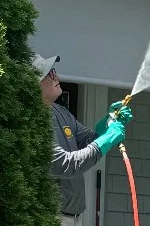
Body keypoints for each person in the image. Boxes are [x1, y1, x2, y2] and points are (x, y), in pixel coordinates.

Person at [33, 54, 133, 226]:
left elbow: (88, 139)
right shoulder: (33, 121)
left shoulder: (59, 111)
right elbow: (66, 164)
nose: (56, 77)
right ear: (34, 85)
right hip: (51, 218)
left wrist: (108, 122)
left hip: (75, 217)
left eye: (54, 71)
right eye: (49, 74)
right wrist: (108, 139)